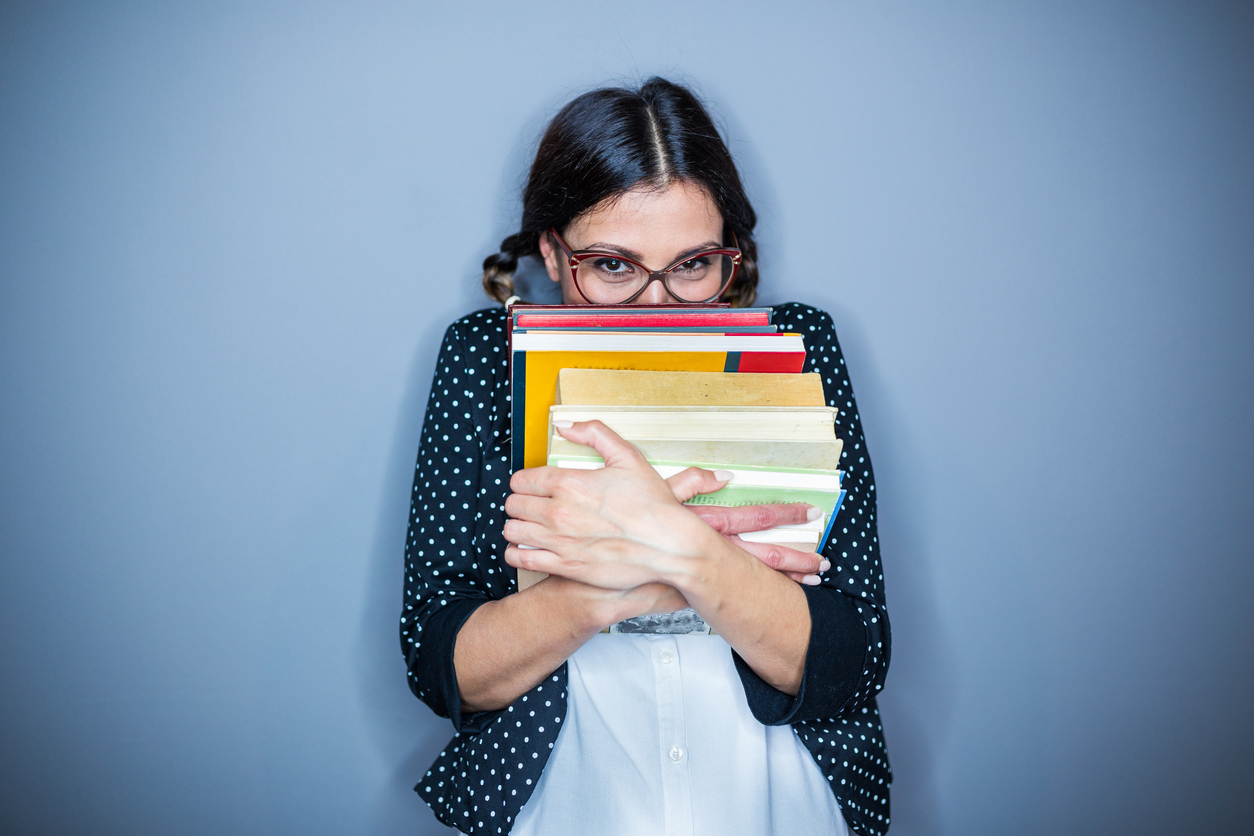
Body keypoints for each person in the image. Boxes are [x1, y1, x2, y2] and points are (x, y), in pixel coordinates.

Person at [401, 78, 891, 836]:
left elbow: (853, 660)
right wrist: (636, 580)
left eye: (693, 266)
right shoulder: (482, 358)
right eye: (615, 267)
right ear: (554, 256)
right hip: (566, 783)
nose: (658, 307)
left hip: (771, 784)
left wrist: (680, 554)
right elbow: (447, 669)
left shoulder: (798, 347)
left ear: (731, 254)